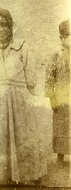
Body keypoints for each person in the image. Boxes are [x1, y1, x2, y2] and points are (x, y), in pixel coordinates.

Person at [0, 9, 47, 185]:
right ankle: (6, 175)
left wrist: (24, 96)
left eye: (4, 25)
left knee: (24, 137)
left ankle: (31, 174)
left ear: (10, 26)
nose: (0, 29)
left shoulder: (22, 47)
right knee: (0, 138)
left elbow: (31, 77)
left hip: (20, 101)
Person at [45, 19, 70, 168]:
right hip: (61, 99)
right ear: (62, 38)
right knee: (61, 126)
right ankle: (60, 155)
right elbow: (49, 78)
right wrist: (52, 98)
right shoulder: (56, 55)